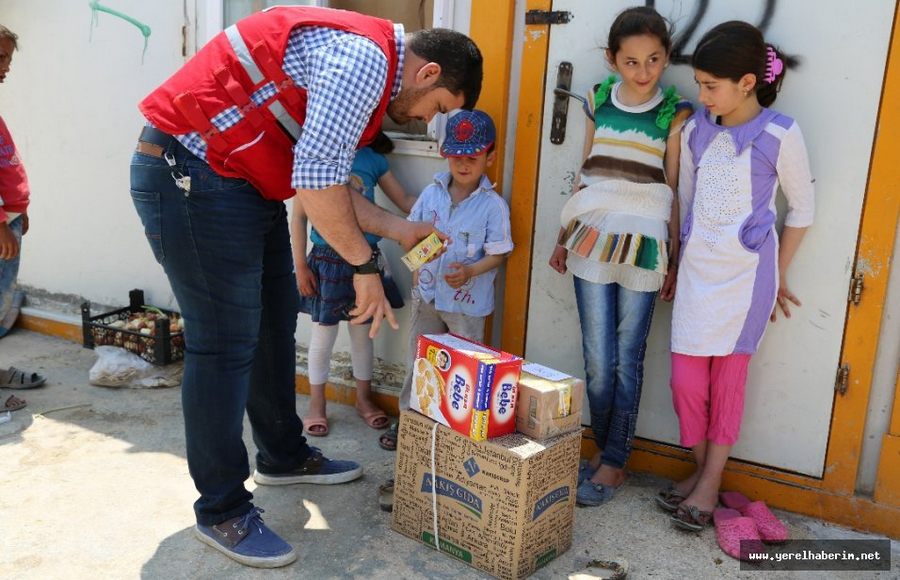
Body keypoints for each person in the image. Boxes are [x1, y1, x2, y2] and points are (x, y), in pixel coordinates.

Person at [130, 6, 482, 568]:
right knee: (222, 346)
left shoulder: (365, 68)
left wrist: (399, 228)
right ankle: (221, 508)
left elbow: (331, 182)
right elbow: (317, 184)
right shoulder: (367, 61)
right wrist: (366, 267)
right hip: (192, 175)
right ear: (429, 73)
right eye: (435, 110)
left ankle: (282, 455)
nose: (422, 121)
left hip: (241, 185)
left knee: (272, 326)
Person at [660, 21, 813, 532]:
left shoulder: (779, 133)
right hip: (698, 274)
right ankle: (705, 471)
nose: (701, 94)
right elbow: (683, 202)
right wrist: (677, 265)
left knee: (727, 385)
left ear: (747, 82)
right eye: (700, 83)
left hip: (747, 280)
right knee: (686, 384)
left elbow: (802, 211)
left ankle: (707, 484)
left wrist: (777, 271)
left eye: (710, 85)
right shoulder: (696, 130)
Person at [547, 6, 692, 507]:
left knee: (627, 359)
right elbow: (584, 173)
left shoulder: (674, 112)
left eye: (654, 59)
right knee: (598, 358)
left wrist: (673, 256)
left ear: (667, 58)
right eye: (631, 61)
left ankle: (614, 461)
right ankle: (607, 452)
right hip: (592, 238)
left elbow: (672, 189)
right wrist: (563, 235)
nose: (644, 71)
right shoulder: (597, 99)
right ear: (612, 59)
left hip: (645, 246)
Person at [378, 109, 513, 455]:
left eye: (473, 157)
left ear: (489, 156)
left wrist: (469, 271)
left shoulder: (493, 207)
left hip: (466, 305)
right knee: (419, 360)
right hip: (426, 295)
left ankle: (457, 433)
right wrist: (422, 254)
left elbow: (499, 253)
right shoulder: (432, 194)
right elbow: (411, 235)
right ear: (445, 154)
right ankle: (410, 424)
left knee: (464, 368)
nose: (464, 165)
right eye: (456, 157)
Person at [292, 131, 414, 437]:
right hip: (326, 261)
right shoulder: (316, 156)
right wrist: (300, 265)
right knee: (323, 337)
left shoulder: (373, 159)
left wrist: (445, 201)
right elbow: (299, 217)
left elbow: (404, 200)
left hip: (366, 263)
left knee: (363, 336)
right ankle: (317, 405)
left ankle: (363, 398)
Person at [0, 25, 29, 339]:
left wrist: (19, 210)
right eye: (0, 58)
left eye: (8, 60)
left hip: (10, 217)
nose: (6, 67)